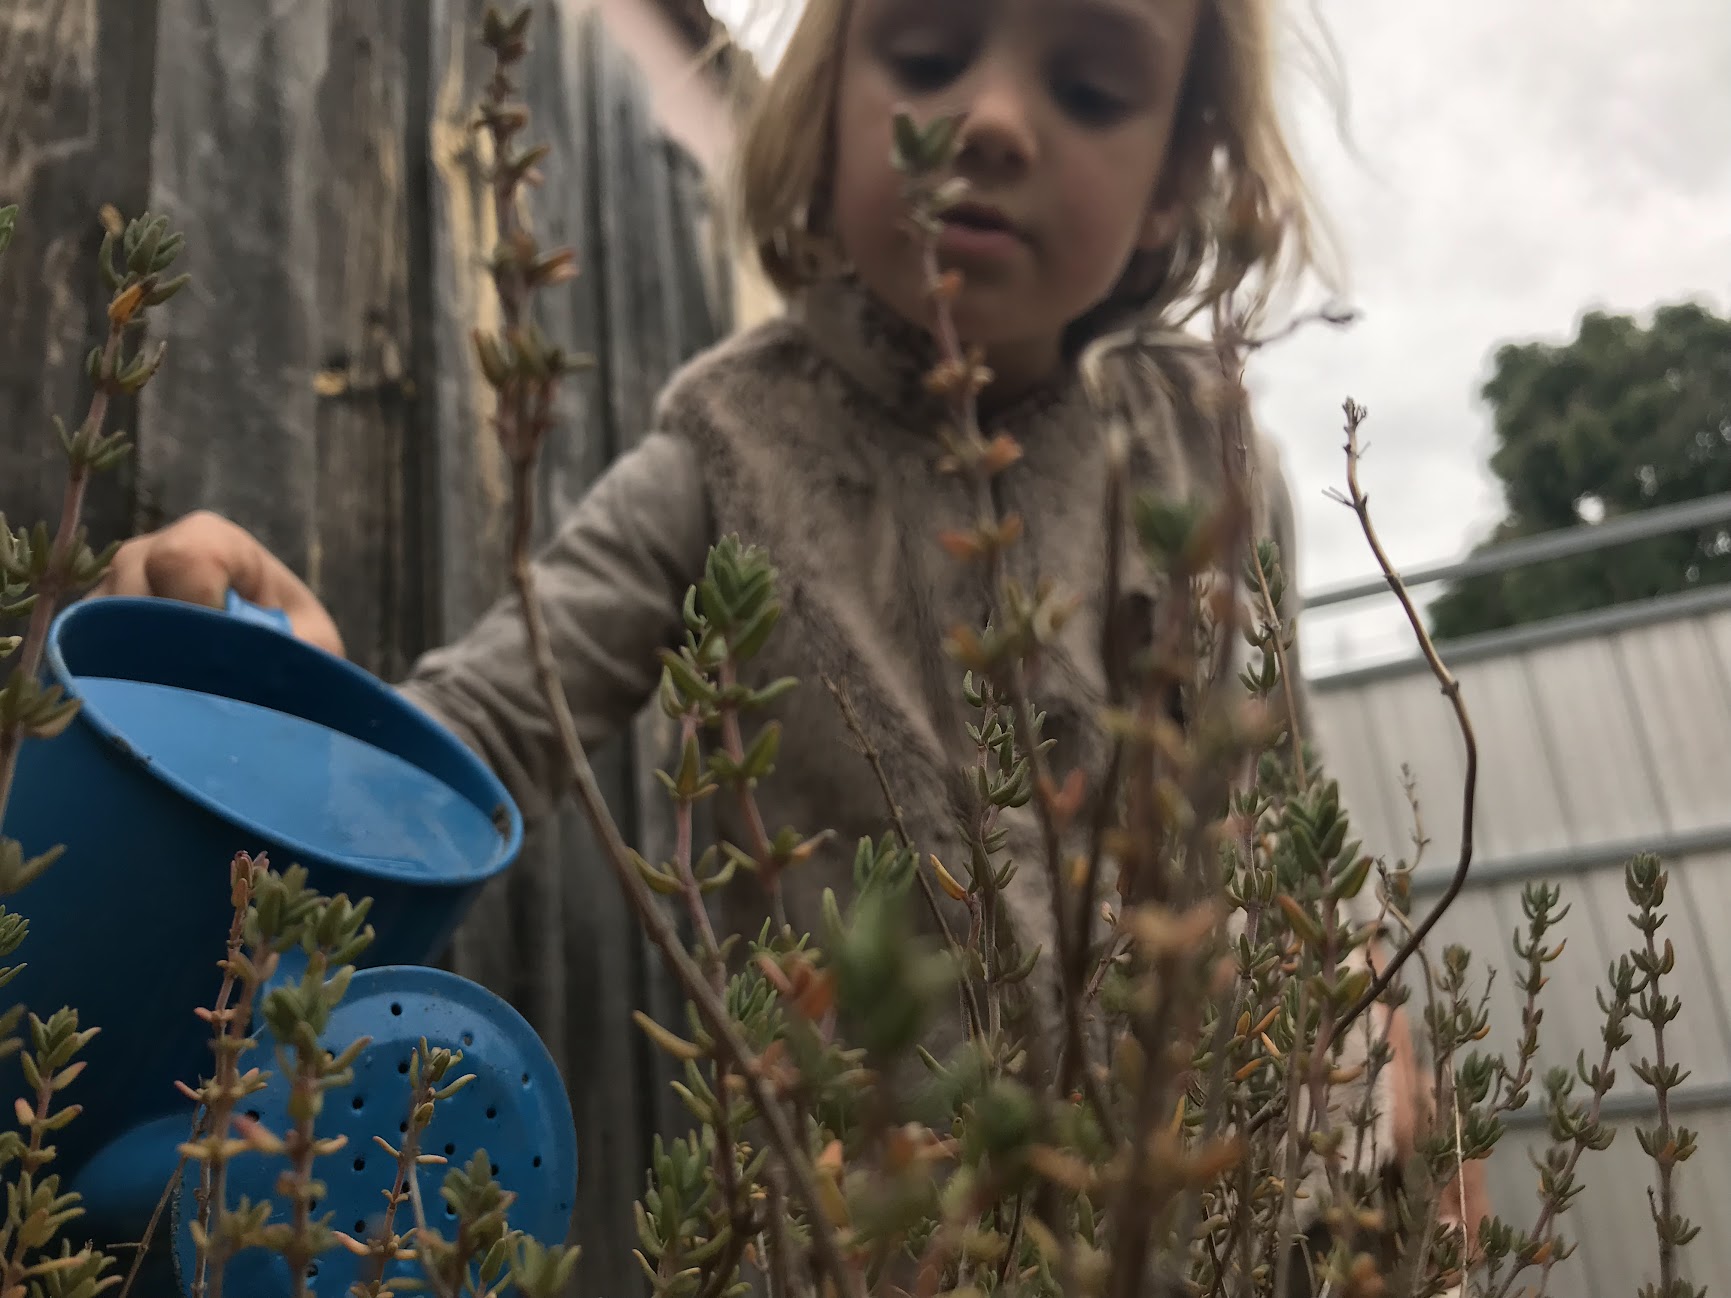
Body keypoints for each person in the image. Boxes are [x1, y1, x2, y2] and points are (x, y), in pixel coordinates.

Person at [93, 0, 1483, 1274]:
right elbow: (488, 723)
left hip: (1206, 1236)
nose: (991, 121)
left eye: (1092, 84)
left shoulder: (1210, 454)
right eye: (929, 56)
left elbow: (1288, 822)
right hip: (872, 1239)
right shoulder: (727, 450)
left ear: (1176, 177)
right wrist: (293, 694)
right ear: (820, 112)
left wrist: (1385, 1080)